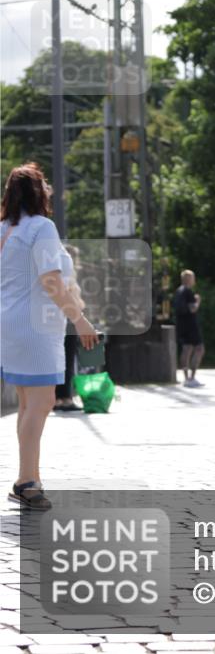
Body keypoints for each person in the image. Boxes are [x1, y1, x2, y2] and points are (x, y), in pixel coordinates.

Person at [1, 162, 98, 510]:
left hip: (11, 324)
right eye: (46, 185)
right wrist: (81, 320)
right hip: (34, 328)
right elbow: (51, 281)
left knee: (29, 404)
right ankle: (28, 481)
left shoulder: (5, 229)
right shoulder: (41, 227)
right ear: (39, 192)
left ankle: (27, 478)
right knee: (41, 403)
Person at [53, 244, 84, 412]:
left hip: (59, 318)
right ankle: (65, 397)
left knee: (60, 360)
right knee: (68, 359)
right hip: (69, 318)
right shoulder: (68, 275)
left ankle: (58, 398)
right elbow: (72, 297)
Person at [174, 270, 205, 387]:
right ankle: (192, 377)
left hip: (181, 325)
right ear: (188, 279)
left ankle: (186, 378)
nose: (194, 280)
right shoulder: (188, 292)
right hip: (191, 325)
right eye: (193, 278)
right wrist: (197, 301)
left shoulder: (178, 291)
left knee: (186, 349)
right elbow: (193, 309)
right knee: (199, 349)